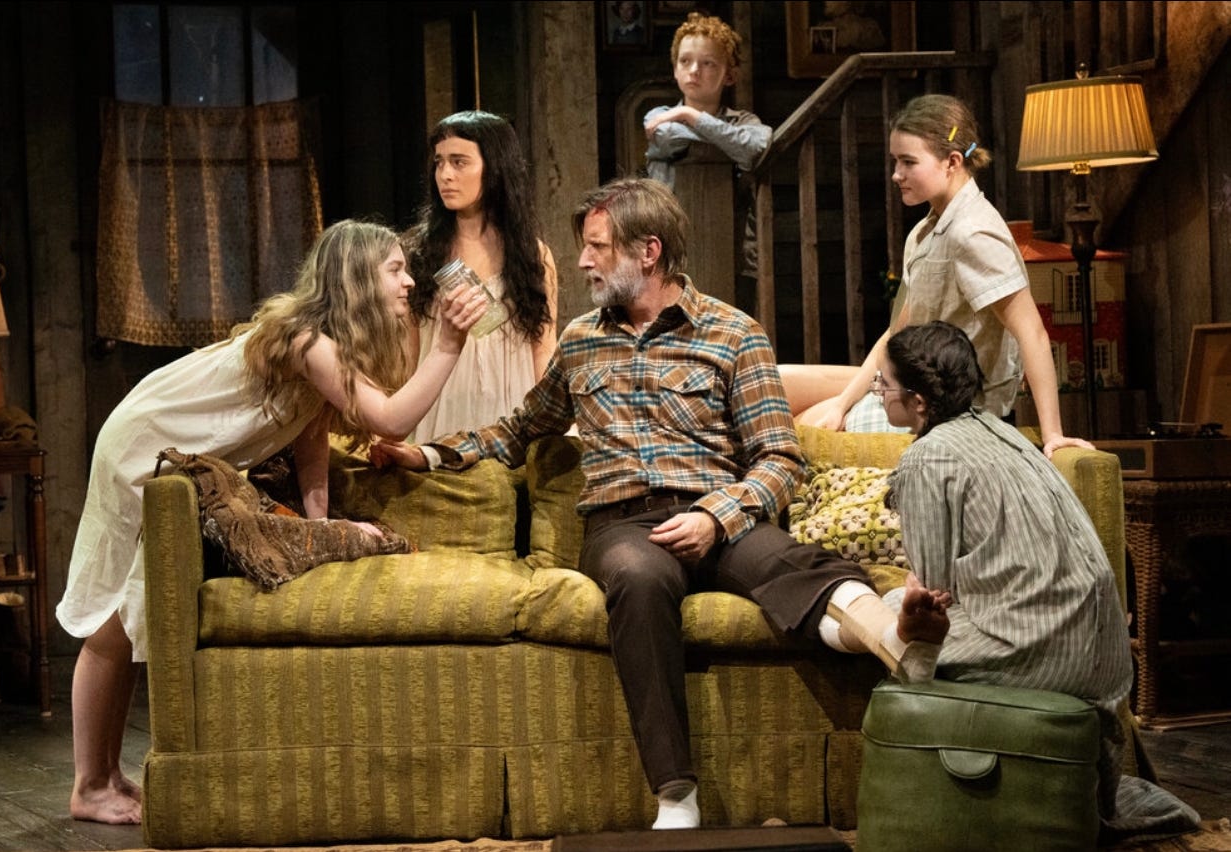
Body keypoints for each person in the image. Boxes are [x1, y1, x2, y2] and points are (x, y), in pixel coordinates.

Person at [373, 177, 950, 830]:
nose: (583, 262)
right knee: (639, 578)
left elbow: (780, 459)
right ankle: (676, 796)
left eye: (597, 247)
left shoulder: (734, 334)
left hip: (720, 514)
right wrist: (427, 455)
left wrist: (715, 516)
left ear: (648, 252)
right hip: (624, 526)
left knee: (794, 563)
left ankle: (898, 641)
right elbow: (516, 431)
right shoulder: (581, 341)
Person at [55, 220, 489, 825]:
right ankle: (87, 784)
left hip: (166, 449)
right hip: (145, 444)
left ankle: (106, 775)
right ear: (358, 279)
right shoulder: (309, 340)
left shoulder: (326, 346)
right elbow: (389, 420)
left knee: (134, 616)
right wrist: (447, 345)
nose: (409, 281)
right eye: (395, 269)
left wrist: (320, 526)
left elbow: (308, 440)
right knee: (116, 619)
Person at [878, 320, 1200, 839]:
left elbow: (934, 591)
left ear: (917, 402)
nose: (878, 392)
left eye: (884, 384)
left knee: (891, 616)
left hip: (1035, 649)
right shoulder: (1004, 431)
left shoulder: (926, 457)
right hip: (1104, 659)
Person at [788, 94, 1092, 458]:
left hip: (951, 407)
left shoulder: (973, 234)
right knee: (777, 384)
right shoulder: (924, 232)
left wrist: (1053, 433)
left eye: (908, 162)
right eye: (895, 161)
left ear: (952, 162)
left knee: (801, 426)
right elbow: (897, 332)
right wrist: (841, 404)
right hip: (908, 380)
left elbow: (1032, 333)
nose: (896, 174)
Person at [402, 110, 558, 443]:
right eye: (439, 163)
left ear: (495, 167)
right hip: (441, 407)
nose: (445, 175)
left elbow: (543, 350)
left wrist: (550, 426)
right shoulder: (418, 252)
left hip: (510, 412)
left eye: (459, 162)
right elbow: (407, 355)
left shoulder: (532, 254)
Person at [643, 12, 770, 287]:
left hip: (733, 254)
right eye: (685, 61)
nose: (694, 70)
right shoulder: (659, 117)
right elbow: (671, 138)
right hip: (670, 254)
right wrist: (729, 142)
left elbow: (754, 147)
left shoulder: (745, 122)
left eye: (708, 63)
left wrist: (690, 115)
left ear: (730, 75)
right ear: (675, 69)